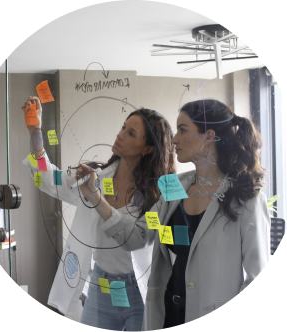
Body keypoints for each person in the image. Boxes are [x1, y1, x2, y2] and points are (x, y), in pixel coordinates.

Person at [79, 99, 271, 329]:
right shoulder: (173, 186)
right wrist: (95, 198)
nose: (174, 139)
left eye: (182, 130)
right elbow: (136, 237)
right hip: (167, 315)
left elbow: (256, 272)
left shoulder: (245, 198)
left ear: (209, 136)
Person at [21, 96, 176, 331]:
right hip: (101, 288)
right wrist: (35, 130)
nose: (120, 134)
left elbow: (139, 240)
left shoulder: (158, 194)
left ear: (148, 148)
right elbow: (47, 178)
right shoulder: (93, 178)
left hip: (141, 290)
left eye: (131, 133)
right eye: (124, 127)